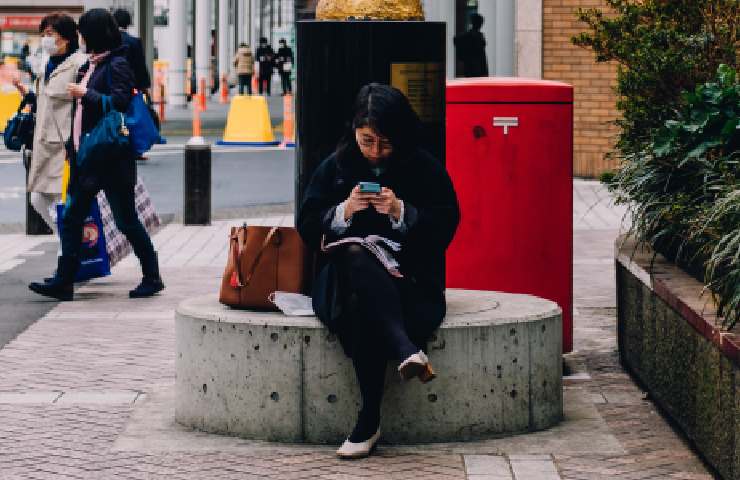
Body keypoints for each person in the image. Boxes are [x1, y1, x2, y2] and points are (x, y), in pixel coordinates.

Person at [297, 84, 460, 459]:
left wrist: (402, 211)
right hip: (342, 285)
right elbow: (306, 225)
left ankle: (368, 421)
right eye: (366, 140)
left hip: (410, 284)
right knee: (355, 256)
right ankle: (406, 350)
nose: (374, 152)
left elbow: (446, 224)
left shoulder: (423, 167)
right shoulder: (335, 166)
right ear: (354, 130)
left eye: (385, 143)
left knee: (363, 309)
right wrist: (344, 212)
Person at [28, 8, 164, 302]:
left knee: (126, 220)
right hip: (87, 156)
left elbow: (119, 102)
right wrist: (71, 148)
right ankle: (64, 281)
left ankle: (152, 276)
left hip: (112, 158)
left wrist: (85, 94)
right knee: (72, 217)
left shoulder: (116, 64)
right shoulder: (92, 64)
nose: (81, 38)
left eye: (84, 33)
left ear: (96, 35)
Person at [13, 13, 86, 235]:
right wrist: (26, 92)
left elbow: (81, 105)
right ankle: (67, 242)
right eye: (43, 34)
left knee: (60, 199)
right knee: (37, 198)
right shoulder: (47, 64)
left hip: (64, 145)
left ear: (65, 38)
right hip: (43, 143)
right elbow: (45, 98)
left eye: (50, 34)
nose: (45, 39)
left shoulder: (79, 64)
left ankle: (69, 250)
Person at [112, 8, 151, 95]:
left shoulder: (109, 41)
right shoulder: (135, 42)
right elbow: (140, 66)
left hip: (112, 87)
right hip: (131, 88)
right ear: (128, 23)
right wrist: (144, 87)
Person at [454, 13, 489, 77]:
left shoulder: (476, 35)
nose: (480, 25)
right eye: (480, 23)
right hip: (474, 67)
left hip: (474, 66)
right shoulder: (472, 36)